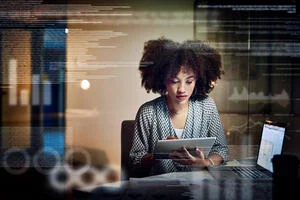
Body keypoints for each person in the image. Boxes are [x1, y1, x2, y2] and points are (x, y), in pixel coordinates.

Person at [129, 37, 229, 176]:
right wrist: (159, 155)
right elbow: (135, 159)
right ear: (163, 81)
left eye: (189, 81)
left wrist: (205, 162)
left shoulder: (207, 106)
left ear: (198, 80)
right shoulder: (147, 112)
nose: (182, 89)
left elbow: (222, 150)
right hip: (160, 189)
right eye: (174, 81)